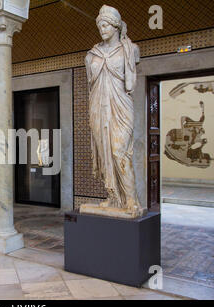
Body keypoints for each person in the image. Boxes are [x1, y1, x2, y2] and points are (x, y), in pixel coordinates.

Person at [84, 5, 141, 215]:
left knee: (119, 151)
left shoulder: (130, 49)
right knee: (104, 153)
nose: (102, 29)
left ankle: (132, 199)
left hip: (121, 106)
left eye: (105, 24)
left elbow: (129, 83)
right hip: (98, 107)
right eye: (99, 25)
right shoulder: (92, 55)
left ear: (116, 25)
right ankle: (114, 197)